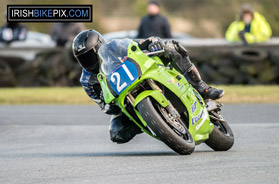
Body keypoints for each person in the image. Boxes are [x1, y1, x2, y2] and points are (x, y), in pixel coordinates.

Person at [72, 29, 224, 144]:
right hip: (124, 100)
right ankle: (155, 121)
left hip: (144, 72)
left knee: (172, 47)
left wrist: (153, 43)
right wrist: (108, 103)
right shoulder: (87, 81)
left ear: (100, 47)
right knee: (116, 133)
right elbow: (104, 107)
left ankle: (202, 87)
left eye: (90, 55)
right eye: (83, 59)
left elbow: (142, 42)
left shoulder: (116, 46)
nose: (88, 61)